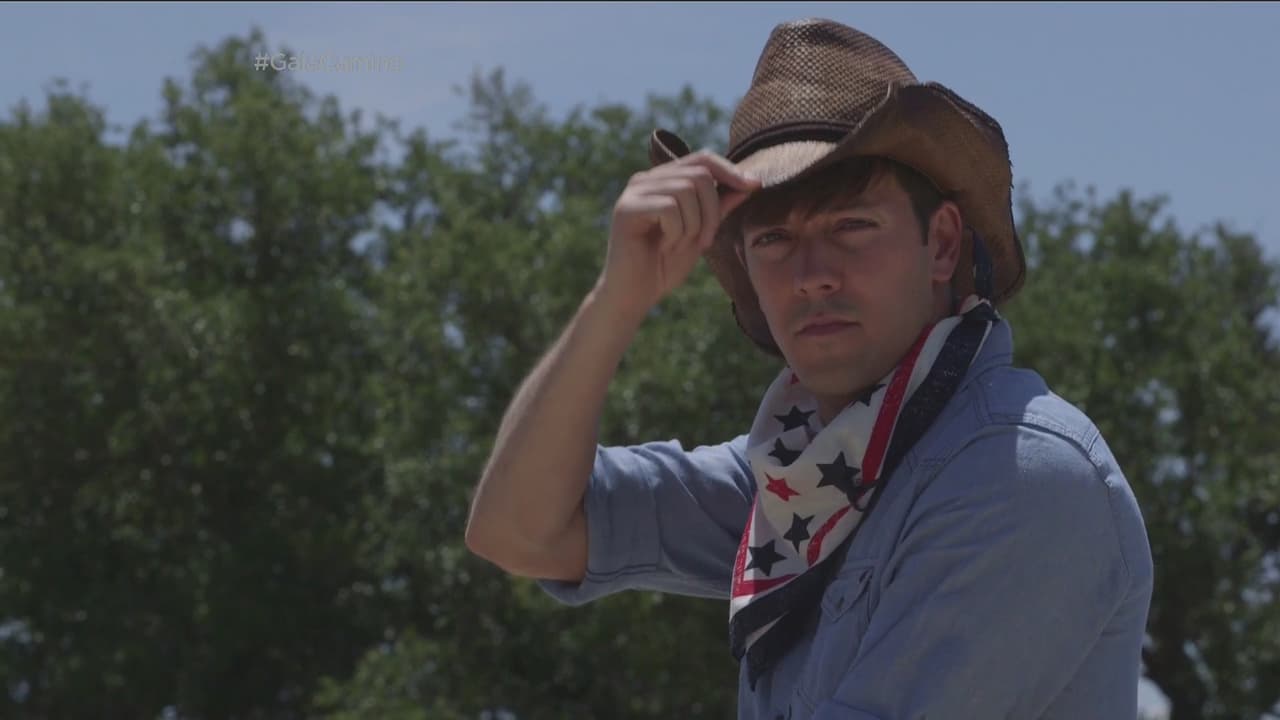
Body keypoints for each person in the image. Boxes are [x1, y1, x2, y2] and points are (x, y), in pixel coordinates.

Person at [464, 17, 1154, 720]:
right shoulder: (798, 473)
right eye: (772, 239)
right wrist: (616, 299)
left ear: (943, 244)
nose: (813, 276)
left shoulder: (1019, 472)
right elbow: (520, 532)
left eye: (852, 226)